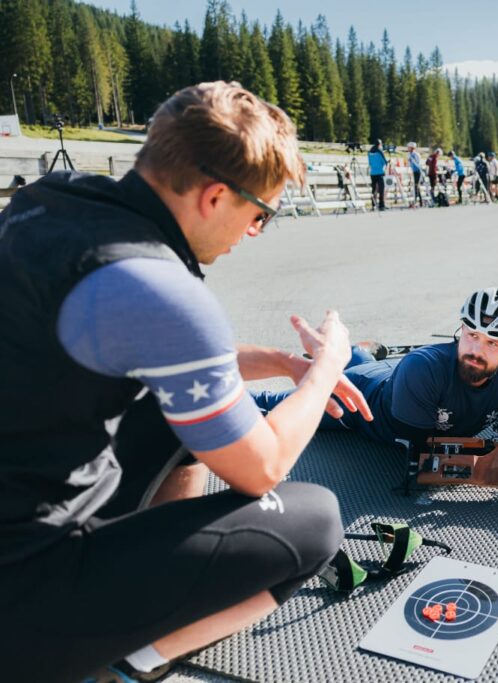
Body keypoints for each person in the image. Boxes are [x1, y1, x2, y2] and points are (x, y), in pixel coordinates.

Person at [0, 82, 373, 682]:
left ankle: (144, 596)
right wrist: (328, 367)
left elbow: (137, 340)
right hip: (28, 589)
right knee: (318, 522)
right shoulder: (164, 289)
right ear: (217, 196)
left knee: (171, 411)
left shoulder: (51, 201)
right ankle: (129, 660)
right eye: (260, 215)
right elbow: (264, 465)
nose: (253, 232)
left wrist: (281, 362)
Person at [252, 288, 498, 485]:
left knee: (369, 361)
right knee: (272, 406)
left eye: (491, 343)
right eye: (471, 335)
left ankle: (361, 352)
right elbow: (426, 460)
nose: (475, 350)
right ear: (461, 329)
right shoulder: (423, 369)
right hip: (365, 400)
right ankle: (350, 355)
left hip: (401, 377)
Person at [368, 138, 388, 210]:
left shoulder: (370, 152)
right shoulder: (380, 151)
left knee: (374, 189)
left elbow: (370, 163)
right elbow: (384, 162)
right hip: (380, 172)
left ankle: (373, 205)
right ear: (380, 144)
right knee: (381, 189)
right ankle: (381, 205)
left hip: (372, 173)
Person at [407, 142, 423, 207]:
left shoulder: (415, 154)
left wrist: (411, 160)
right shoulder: (410, 154)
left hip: (418, 171)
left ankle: (417, 201)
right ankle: (418, 201)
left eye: (409, 147)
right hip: (414, 171)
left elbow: (417, 164)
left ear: (412, 148)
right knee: (416, 187)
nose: (408, 148)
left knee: (416, 186)